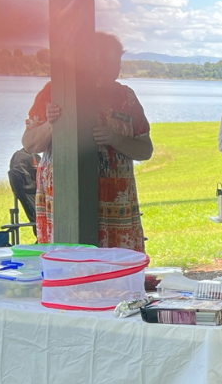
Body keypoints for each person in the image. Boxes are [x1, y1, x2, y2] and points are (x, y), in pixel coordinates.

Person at [21, 32, 151, 251]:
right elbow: (30, 144)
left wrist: (115, 139)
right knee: (68, 268)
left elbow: (145, 150)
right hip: (64, 207)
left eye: (116, 61)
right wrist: (53, 124)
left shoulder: (126, 97)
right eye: (105, 61)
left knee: (117, 273)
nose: (112, 67)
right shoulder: (55, 91)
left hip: (117, 209)